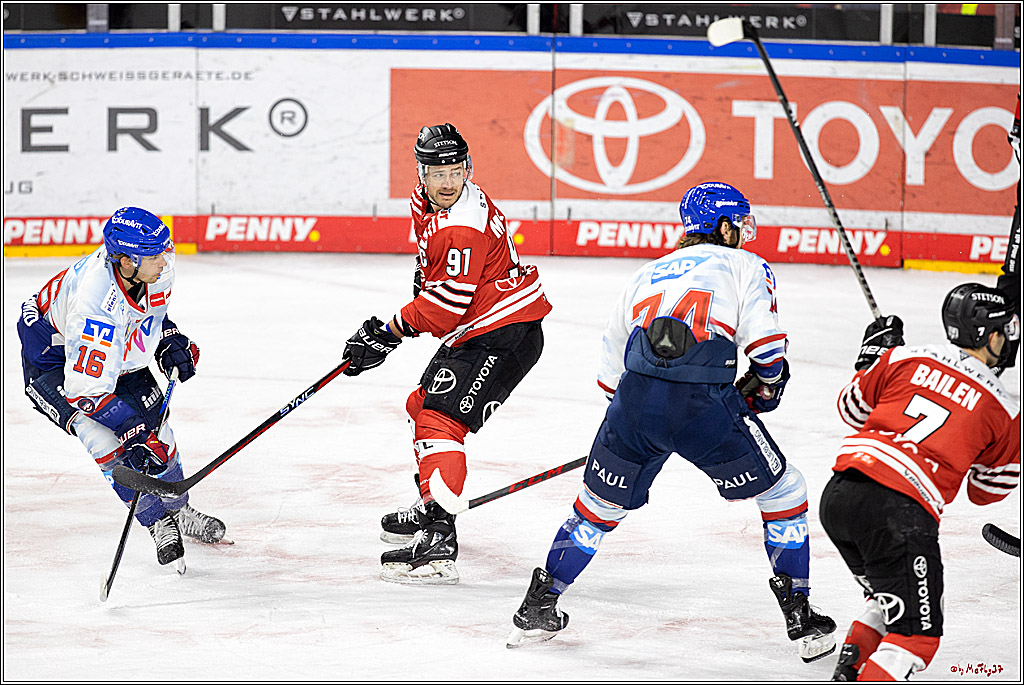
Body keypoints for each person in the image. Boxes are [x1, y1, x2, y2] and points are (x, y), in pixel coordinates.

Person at [506, 181, 836, 664]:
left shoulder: (646, 272)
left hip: (633, 402)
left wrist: (641, 418)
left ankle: (540, 604)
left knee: (597, 508)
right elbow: (767, 350)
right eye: (739, 223)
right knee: (785, 491)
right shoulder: (746, 265)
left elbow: (609, 372)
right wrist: (766, 385)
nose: (744, 233)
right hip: (704, 404)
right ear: (724, 225)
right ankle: (800, 614)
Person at [341, 123, 552, 585]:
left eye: (456, 171)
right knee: (423, 406)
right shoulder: (433, 202)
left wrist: (388, 330)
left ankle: (439, 541)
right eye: (437, 172)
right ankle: (435, 505)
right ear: (421, 173)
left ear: (468, 170)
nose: (447, 181)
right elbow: (435, 278)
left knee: (440, 421)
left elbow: (444, 306)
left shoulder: (461, 222)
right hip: (484, 326)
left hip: (503, 332)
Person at [821, 285, 1020, 681]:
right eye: (1005, 330)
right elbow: (986, 491)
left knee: (886, 597)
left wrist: (872, 361)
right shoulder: (1004, 406)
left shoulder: (905, 358)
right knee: (916, 637)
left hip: (840, 495)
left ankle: (848, 671)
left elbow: (851, 408)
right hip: (899, 513)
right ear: (989, 336)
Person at [16, 207, 227, 572]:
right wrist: (130, 430)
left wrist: (167, 339)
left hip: (108, 347)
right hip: (56, 362)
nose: (165, 260)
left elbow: (146, 315)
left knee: (158, 432)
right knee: (108, 443)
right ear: (127, 262)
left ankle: (180, 509)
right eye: (155, 255)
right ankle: (157, 522)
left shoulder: (151, 269)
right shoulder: (95, 306)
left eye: (165, 250)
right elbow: (85, 389)